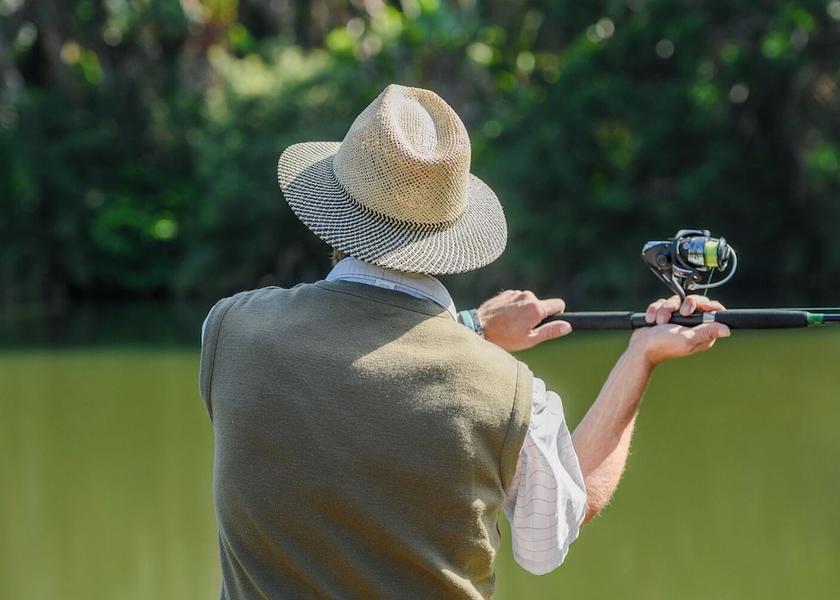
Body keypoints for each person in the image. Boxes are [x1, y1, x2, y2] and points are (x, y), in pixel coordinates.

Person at [198, 84, 730, 599]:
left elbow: (358, 367)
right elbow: (555, 528)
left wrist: (473, 326)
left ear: (335, 213)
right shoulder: (510, 393)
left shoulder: (228, 330)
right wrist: (641, 358)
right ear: (449, 231)